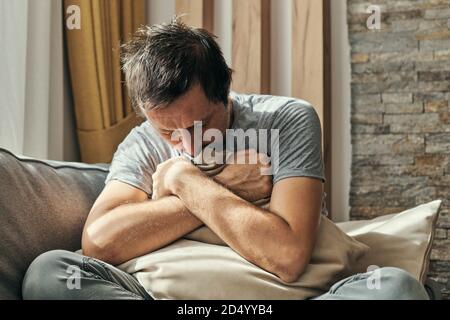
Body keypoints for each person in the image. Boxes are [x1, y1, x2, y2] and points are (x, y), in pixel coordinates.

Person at [22, 19, 429, 300]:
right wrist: (215, 183)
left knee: (395, 287)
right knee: (50, 273)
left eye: (200, 124)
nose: (186, 143)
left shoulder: (286, 119)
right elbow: (100, 243)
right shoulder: (141, 143)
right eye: (167, 132)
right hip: (173, 297)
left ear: (225, 91)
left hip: (284, 296)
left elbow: (286, 257)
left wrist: (178, 179)